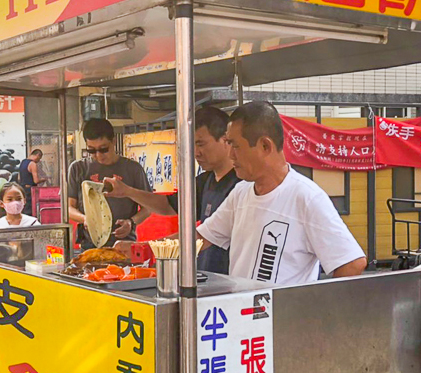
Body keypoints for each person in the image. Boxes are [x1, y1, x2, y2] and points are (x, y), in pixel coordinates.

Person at [197, 101, 367, 285]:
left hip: (286, 313)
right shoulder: (241, 193)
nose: (231, 155)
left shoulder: (306, 197)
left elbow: (352, 262)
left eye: (235, 146)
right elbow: (202, 237)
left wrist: (318, 306)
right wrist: (164, 250)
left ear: (265, 146)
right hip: (242, 309)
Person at [106, 107, 240, 273]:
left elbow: (201, 237)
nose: (196, 153)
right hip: (207, 276)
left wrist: (144, 247)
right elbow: (169, 205)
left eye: (200, 144)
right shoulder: (205, 181)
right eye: (192, 145)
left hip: (230, 280)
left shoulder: (241, 186)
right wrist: (127, 191)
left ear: (225, 140)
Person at [67, 118, 150, 249]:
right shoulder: (78, 169)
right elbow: (69, 208)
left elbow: (148, 207)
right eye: (92, 151)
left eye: (104, 149)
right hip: (90, 244)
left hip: (124, 243)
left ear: (114, 142)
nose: (99, 155)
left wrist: (131, 222)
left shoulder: (133, 169)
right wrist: (85, 219)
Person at [19, 149, 47, 215]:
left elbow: (19, 177)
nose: (39, 161)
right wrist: (43, 179)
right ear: (37, 155)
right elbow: (36, 180)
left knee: (24, 208)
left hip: (22, 188)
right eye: (39, 158)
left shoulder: (23, 162)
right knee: (30, 209)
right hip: (30, 190)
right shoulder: (32, 164)